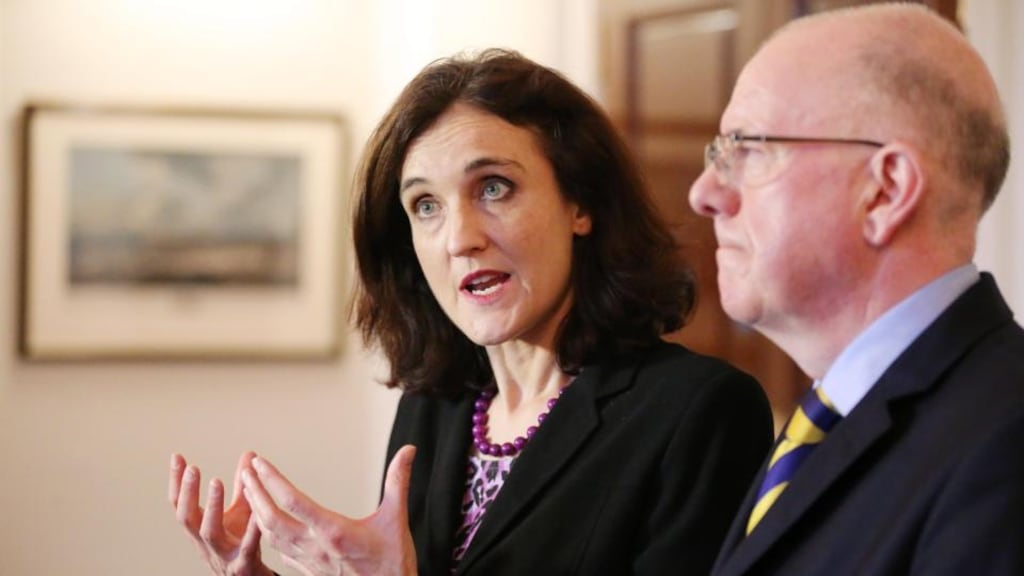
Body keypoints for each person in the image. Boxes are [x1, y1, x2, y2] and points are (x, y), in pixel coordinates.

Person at [169, 48, 772, 575]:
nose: (460, 237)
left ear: (580, 204)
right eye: (425, 205)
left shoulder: (701, 412)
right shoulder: (436, 407)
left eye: (492, 188)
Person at [687, 4, 1024, 576]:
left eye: (748, 149)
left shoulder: (1006, 443)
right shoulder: (827, 418)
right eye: (718, 154)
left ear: (886, 191)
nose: (704, 193)